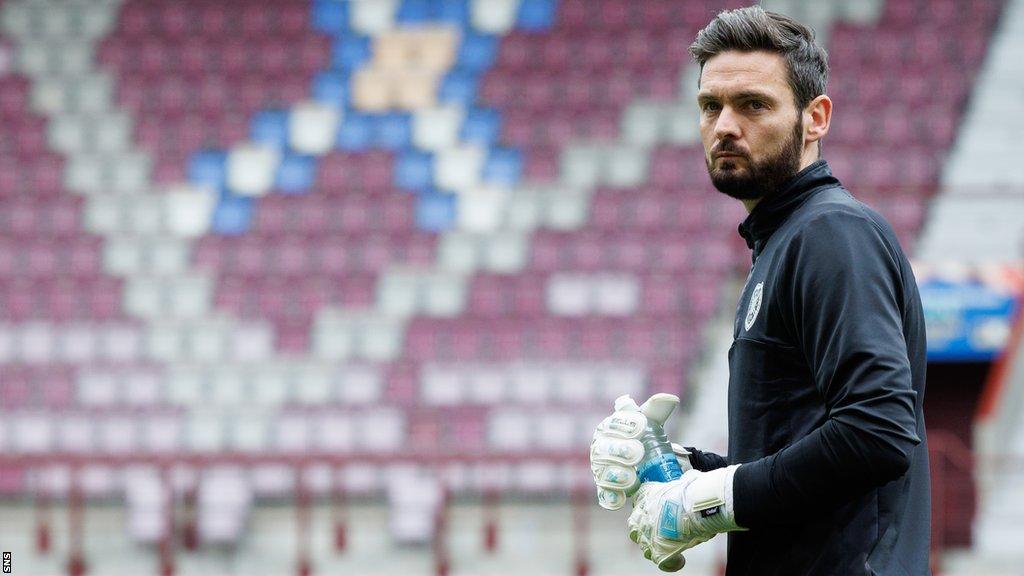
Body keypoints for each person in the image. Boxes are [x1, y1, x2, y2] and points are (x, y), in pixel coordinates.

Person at [590, 6, 930, 575]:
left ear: (815, 117)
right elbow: (793, 466)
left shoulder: (830, 233)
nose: (724, 125)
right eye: (710, 106)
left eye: (753, 104)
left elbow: (877, 431)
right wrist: (682, 471)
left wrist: (713, 502)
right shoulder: (785, 239)